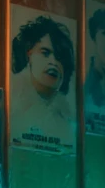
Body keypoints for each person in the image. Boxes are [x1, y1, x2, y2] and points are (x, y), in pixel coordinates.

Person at [10, 15, 76, 152]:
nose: (53, 62)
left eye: (60, 57)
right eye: (45, 53)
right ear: (29, 54)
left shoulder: (68, 120)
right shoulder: (11, 104)